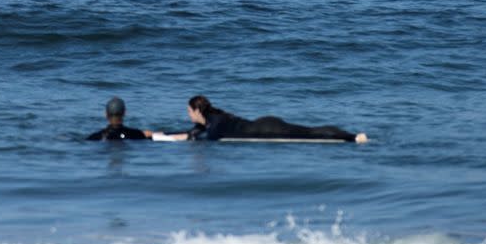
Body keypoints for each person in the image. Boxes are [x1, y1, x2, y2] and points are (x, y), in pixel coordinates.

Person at [157, 95, 367, 142]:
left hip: (268, 128)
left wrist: (191, 140)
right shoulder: (211, 119)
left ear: (197, 111)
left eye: (189, 111)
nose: (188, 115)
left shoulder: (216, 122)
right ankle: (351, 136)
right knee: (309, 130)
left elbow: (208, 137)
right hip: (262, 124)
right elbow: (192, 133)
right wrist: (161, 136)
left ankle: (352, 137)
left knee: (310, 132)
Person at [87, 97, 152, 141]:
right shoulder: (137, 134)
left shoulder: (94, 137)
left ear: (106, 114)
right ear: (124, 113)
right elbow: (158, 137)